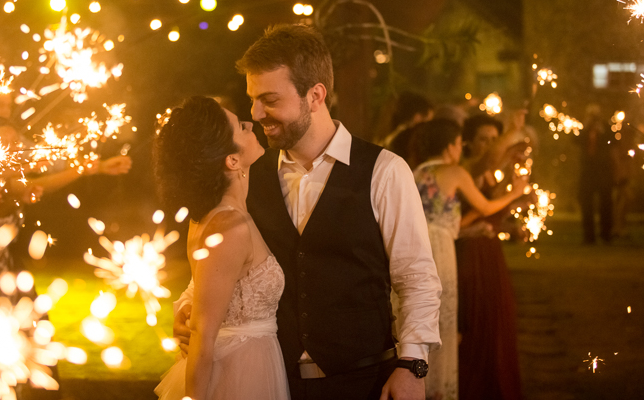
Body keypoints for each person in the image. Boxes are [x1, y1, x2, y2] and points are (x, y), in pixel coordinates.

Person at [174, 24, 441, 400]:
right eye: (252, 99)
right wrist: (186, 307)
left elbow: (416, 278)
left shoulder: (384, 170)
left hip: (363, 381)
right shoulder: (248, 176)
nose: (256, 112)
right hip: (272, 383)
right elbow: (218, 260)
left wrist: (412, 364)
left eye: (269, 99)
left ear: (315, 95)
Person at [153, 96, 288, 399]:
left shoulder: (210, 217)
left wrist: (184, 307)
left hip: (250, 360)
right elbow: (202, 336)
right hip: (236, 372)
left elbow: (201, 286)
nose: (250, 123)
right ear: (232, 160)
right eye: (241, 127)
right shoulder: (229, 228)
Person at [410, 119, 527, 400]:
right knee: (444, 318)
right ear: (452, 146)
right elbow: (485, 206)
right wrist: (516, 192)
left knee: (420, 315)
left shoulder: (415, 173)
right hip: (441, 249)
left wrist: (471, 228)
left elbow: (443, 218)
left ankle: (418, 384)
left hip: (415, 247)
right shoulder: (454, 171)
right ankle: (440, 388)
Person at [455, 114, 526, 400]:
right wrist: (511, 133)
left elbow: (492, 214)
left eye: (493, 140)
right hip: (469, 256)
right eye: (483, 139)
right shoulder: (466, 170)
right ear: (468, 143)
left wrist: (511, 225)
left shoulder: (488, 173)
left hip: (491, 255)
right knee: (475, 321)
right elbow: (472, 216)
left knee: (496, 321)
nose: (489, 145)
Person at [578, 104, 614, 244]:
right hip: (588, 170)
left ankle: (606, 234)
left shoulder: (606, 127)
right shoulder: (584, 128)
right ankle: (589, 236)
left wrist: (603, 132)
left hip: (603, 170)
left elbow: (613, 142)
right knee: (586, 203)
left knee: (606, 203)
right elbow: (575, 140)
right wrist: (585, 128)